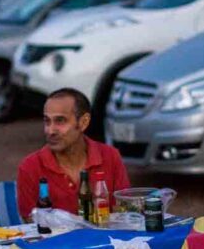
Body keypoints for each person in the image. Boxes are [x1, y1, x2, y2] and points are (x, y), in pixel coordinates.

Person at [16, 87, 131, 220]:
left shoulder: (110, 156)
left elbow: (123, 212)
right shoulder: (30, 167)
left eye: (60, 121)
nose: (50, 130)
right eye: (47, 121)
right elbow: (30, 223)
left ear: (83, 122)